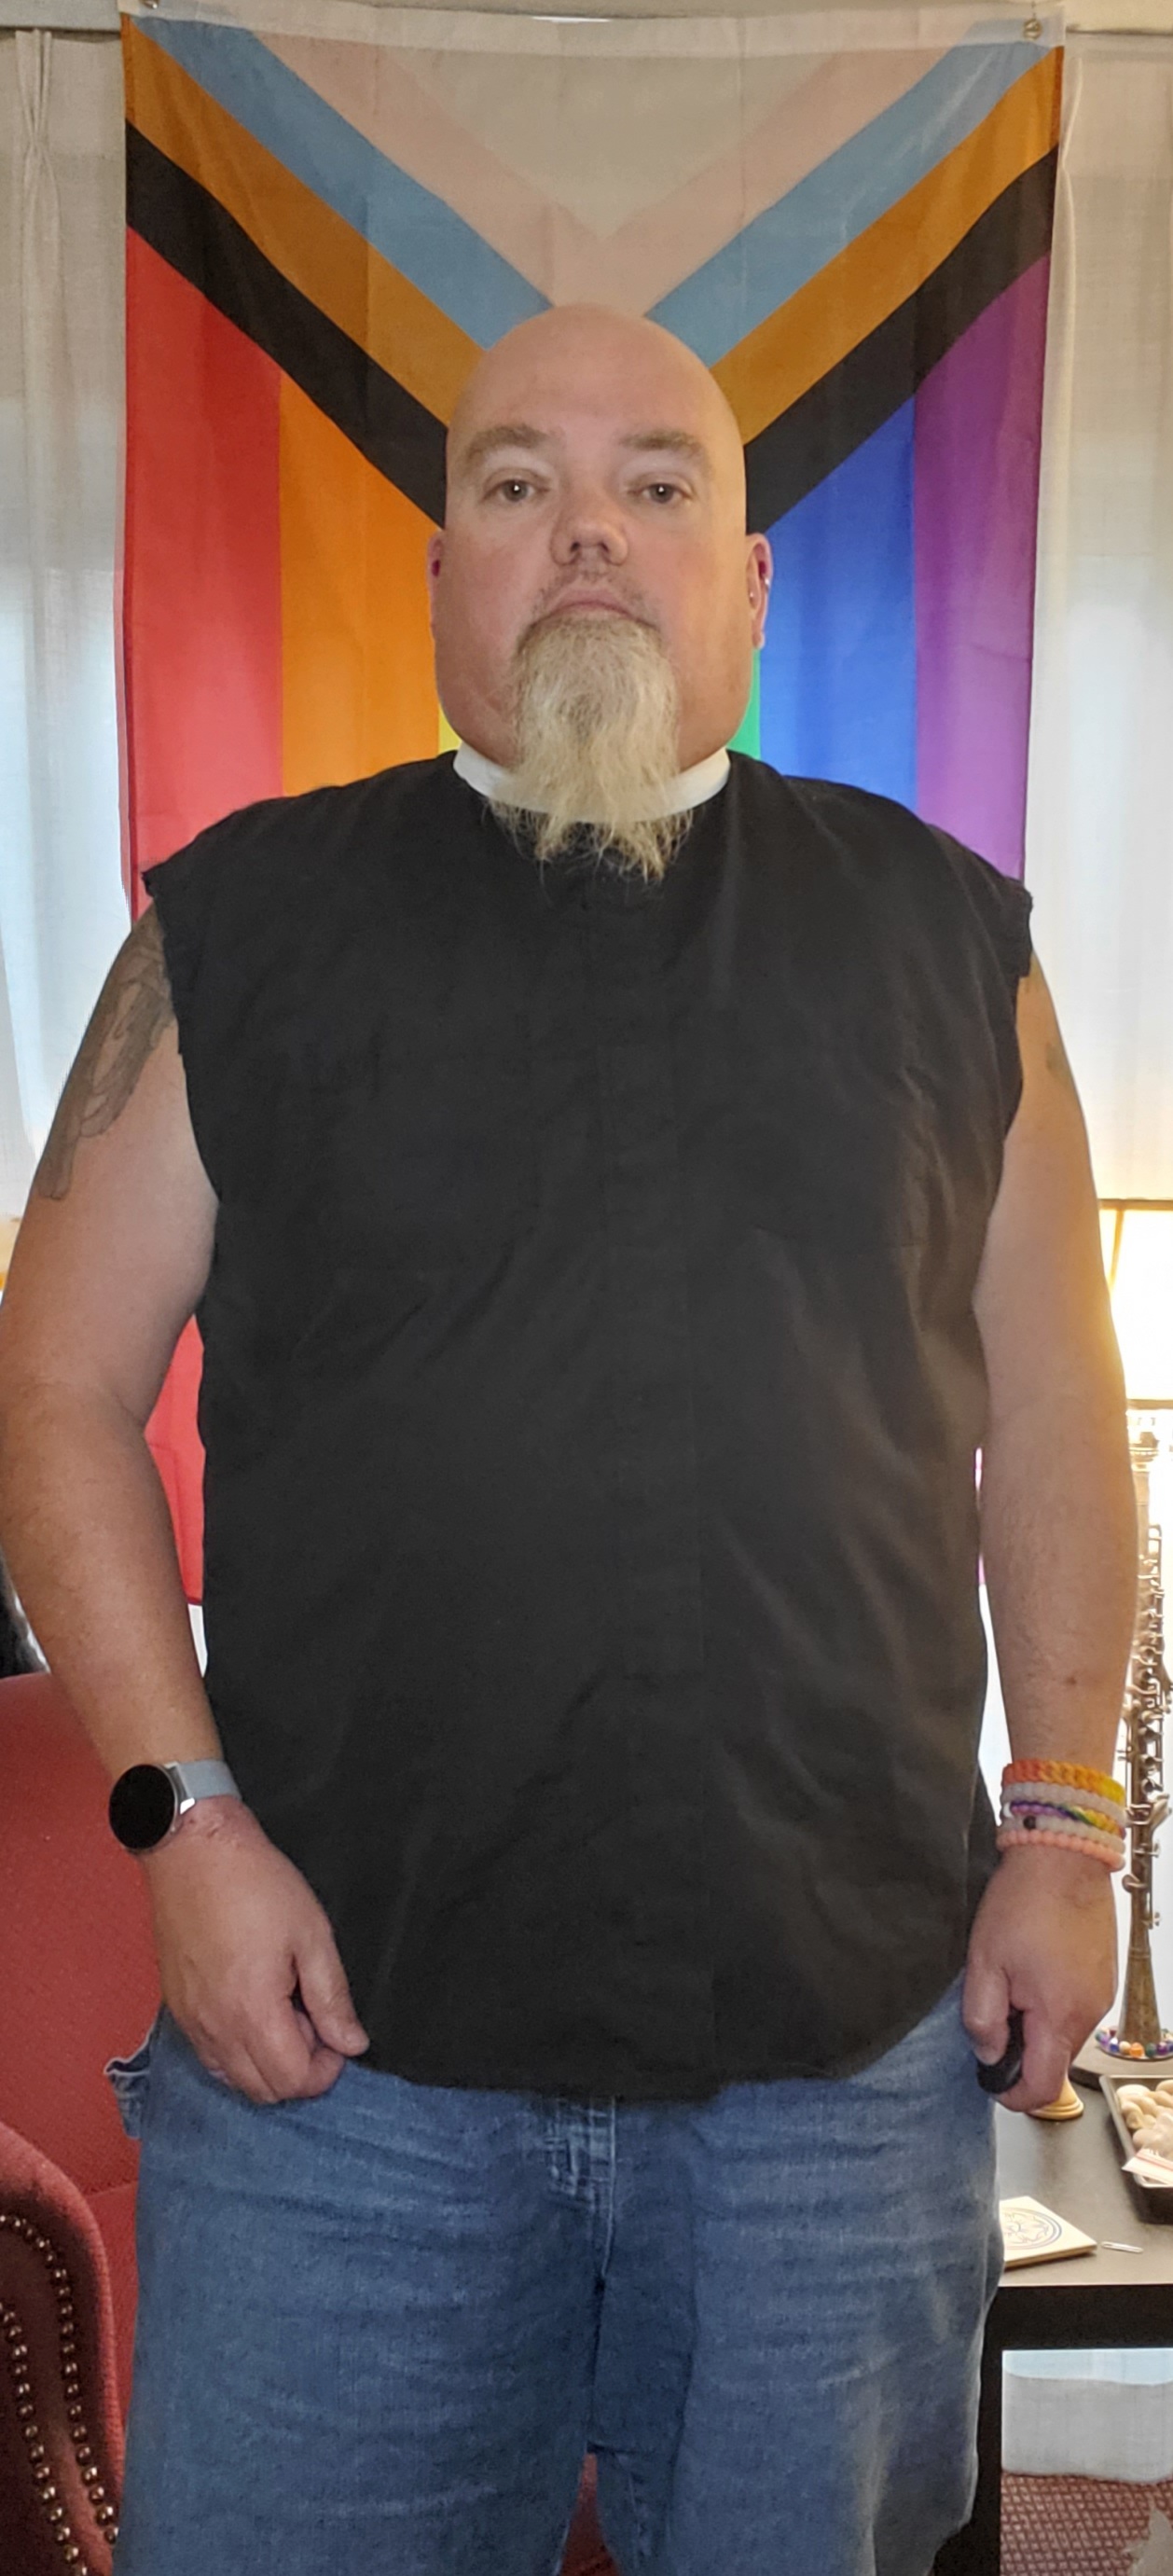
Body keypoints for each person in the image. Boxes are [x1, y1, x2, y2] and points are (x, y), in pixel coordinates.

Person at [0, 302, 1136, 2576]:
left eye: (655, 484)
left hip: (829, 2077)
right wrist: (181, 1824)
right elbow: (52, 1392)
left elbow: (1048, 1409)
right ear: (443, 570)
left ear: (748, 581)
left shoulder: (950, 944)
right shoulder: (238, 933)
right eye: (517, 483)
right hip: (343, 2085)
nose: (587, 532)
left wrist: (1067, 1824)